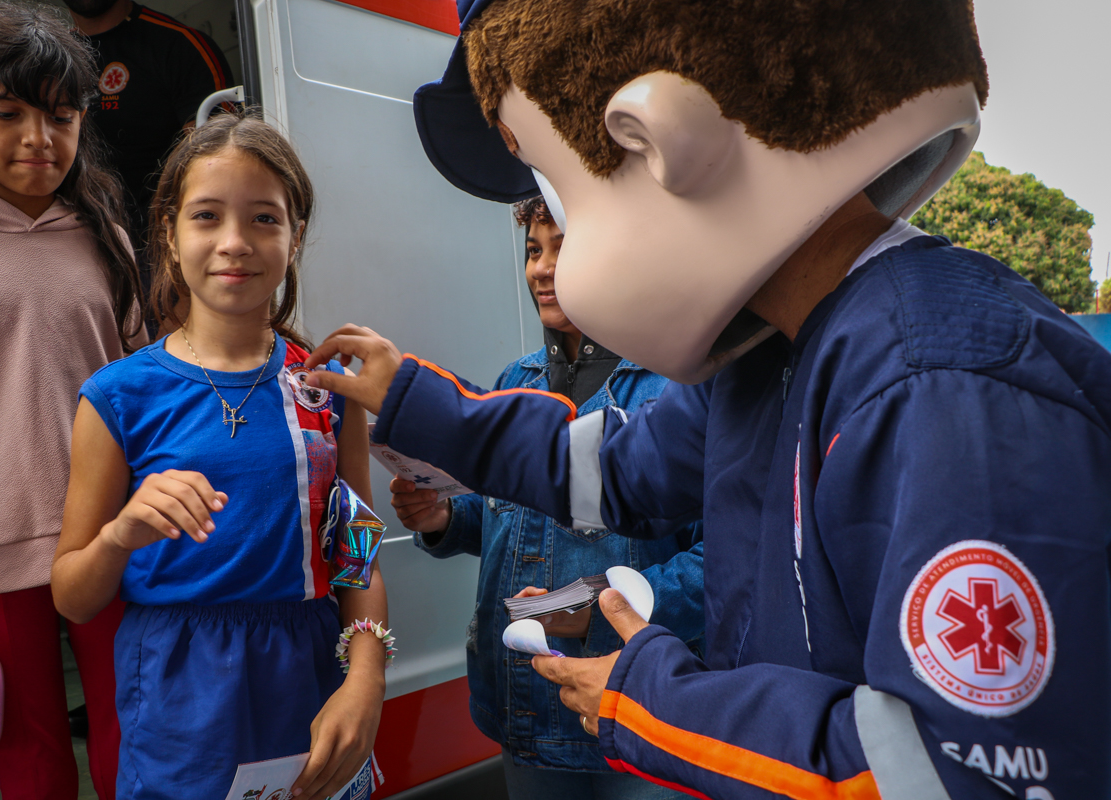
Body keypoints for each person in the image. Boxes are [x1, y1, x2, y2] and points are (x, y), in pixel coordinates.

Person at [296, 1, 1111, 798]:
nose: (554, 254)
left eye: (570, 195)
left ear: (660, 144)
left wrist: (653, 699)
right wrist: (413, 398)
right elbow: (608, 470)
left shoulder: (942, 383)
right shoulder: (767, 357)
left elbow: (952, 769)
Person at [50, 112, 388, 800]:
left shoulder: (326, 391)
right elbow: (73, 598)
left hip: (313, 686)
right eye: (207, 216)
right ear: (170, 236)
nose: (235, 242)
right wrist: (120, 536)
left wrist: (367, 677)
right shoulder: (117, 397)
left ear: (294, 238)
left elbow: (358, 553)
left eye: (265, 219)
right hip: (181, 709)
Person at [392, 196, 702, 800]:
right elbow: (510, 515)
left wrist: (593, 607)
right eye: (534, 249)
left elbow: (721, 560)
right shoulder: (516, 381)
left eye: (561, 246)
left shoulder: (674, 385)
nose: (539, 267)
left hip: (633, 717)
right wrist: (445, 519)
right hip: (520, 709)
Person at [0, 4, 145, 798]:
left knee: (134, 736)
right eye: (6, 113)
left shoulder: (103, 236)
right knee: (32, 759)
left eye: (62, 115)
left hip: (113, 537)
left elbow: (146, 392)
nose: (38, 139)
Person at [63, 0, 233, 305]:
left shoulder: (179, 45)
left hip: (161, 251)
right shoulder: (55, 58)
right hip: (77, 243)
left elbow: (221, 161)